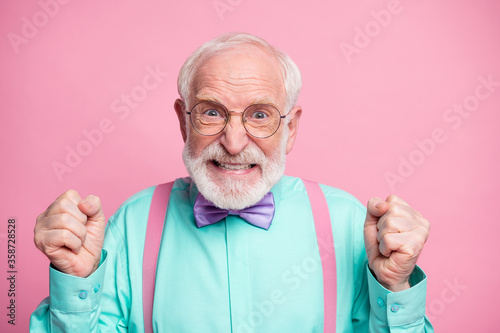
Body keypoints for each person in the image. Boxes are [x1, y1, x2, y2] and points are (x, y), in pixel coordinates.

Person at [30, 33, 433, 332]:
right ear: (182, 121)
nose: (234, 142)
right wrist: (75, 283)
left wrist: (394, 286)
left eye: (260, 115)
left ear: (290, 128)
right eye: (211, 113)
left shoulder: (347, 225)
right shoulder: (131, 225)